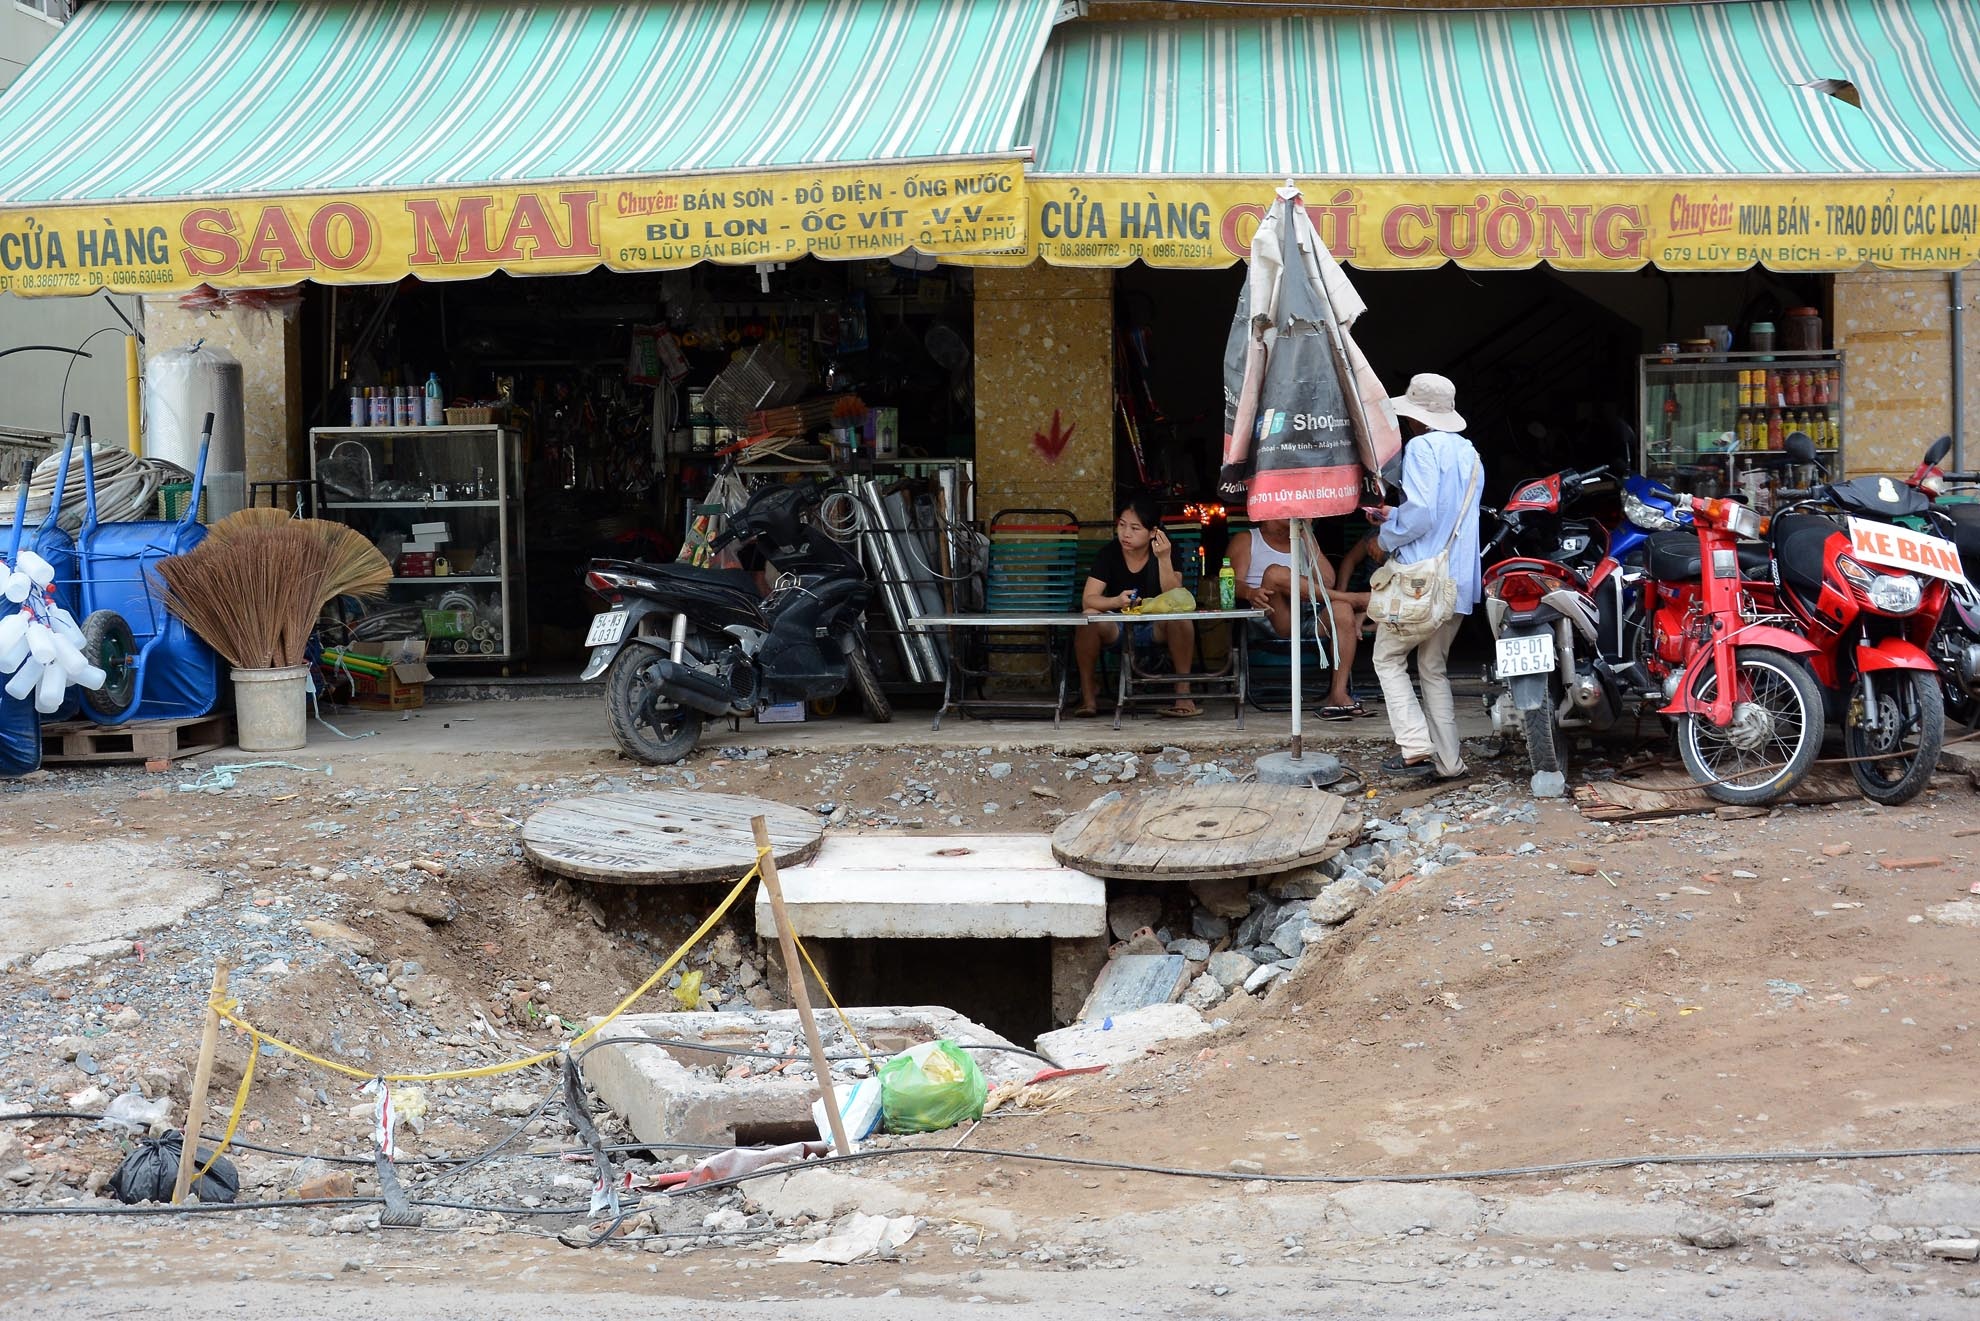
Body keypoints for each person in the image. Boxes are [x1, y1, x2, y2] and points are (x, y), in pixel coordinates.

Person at [1365, 373, 1483, 779]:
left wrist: (1385, 533)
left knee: (1386, 657)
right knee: (1433, 667)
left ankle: (1415, 745)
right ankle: (1449, 762)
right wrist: (1394, 515)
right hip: (1456, 582)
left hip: (1419, 583)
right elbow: (1442, 516)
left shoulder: (1420, 447)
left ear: (1416, 417)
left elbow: (1422, 514)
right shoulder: (1470, 454)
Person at [1227, 519, 1367, 719]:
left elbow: (1328, 581)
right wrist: (1250, 592)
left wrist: (1307, 534)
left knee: (1343, 610)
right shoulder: (1248, 539)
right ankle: (1352, 598)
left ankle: (1338, 694)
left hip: (1306, 612)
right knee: (1275, 573)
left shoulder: (1303, 538)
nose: (1296, 512)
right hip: (1270, 615)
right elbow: (1232, 583)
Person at [1073, 495, 1198, 718]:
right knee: (1088, 617)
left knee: (1180, 618)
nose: (1126, 534)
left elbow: (1175, 595)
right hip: (1117, 626)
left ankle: (1183, 693)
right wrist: (1115, 601)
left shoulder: (1167, 550)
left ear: (1152, 532)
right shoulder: (1109, 553)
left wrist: (1164, 559)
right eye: (1121, 525)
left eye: (1135, 528)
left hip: (1156, 626)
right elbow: (1089, 598)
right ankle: (1088, 696)